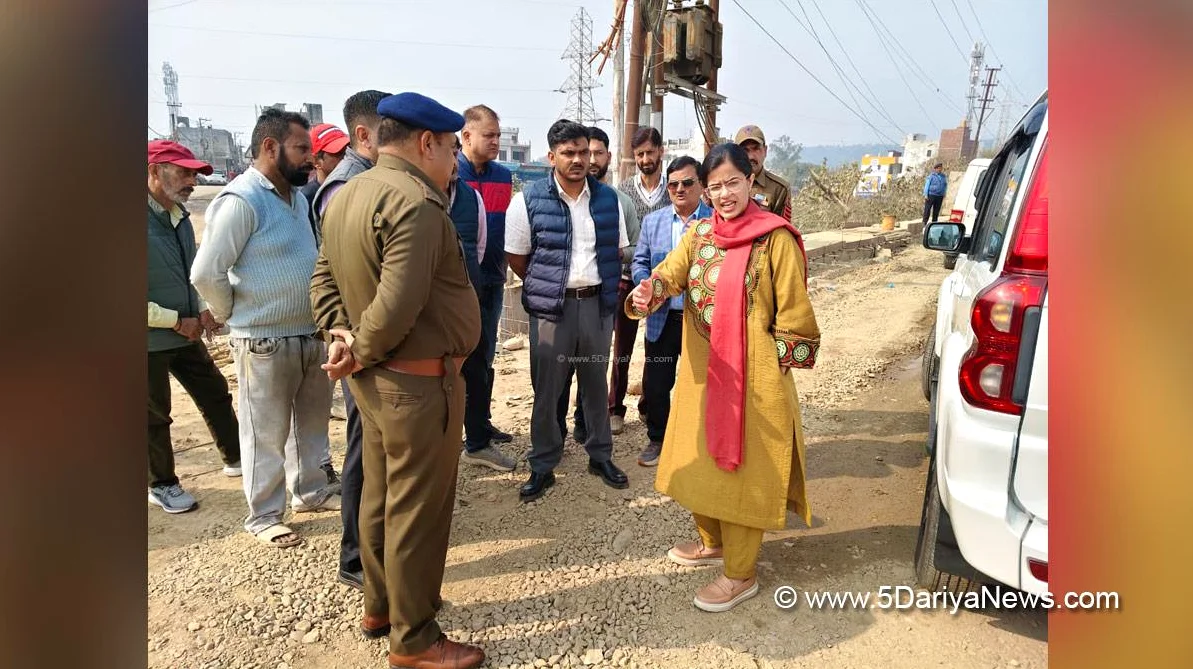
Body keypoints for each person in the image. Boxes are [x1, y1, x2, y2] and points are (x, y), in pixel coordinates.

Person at [310, 91, 485, 669]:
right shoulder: (418, 203)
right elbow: (398, 301)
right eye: (452, 149)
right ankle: (415, 641)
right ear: (427, 142)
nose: (455, 162)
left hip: (374, 380)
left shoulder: (345, 191)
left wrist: (340, 336)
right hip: (414, 383)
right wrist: (358, 347)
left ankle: (381, 605)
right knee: (419, 510)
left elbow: (323, 280)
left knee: (382, 498)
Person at [627, 142, 820, 612]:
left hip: (753, 379)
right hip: (701, 372)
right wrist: (648, 291)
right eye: (714, 187)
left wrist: (772, 367)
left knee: (743, 473)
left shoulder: (775, 238)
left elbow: (795, 314)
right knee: (695, 458)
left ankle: (741, 572)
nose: (724, 193)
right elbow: (670, 276)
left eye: (732, 182)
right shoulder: (699, 235)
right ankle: (711, 541)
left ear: (751, 180)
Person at [191, 108, 341, 549]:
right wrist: (232, 312)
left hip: (309, 335)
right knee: (265, 432)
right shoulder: (240, 201)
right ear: (270, 147)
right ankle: (264, 515)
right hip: (263, 340)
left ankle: (310, 492)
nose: (311, 161)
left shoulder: (296, 199)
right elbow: (206, 273)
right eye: (302, 150)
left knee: (310, 426)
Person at [505, 120, 631, 503]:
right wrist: (550, 286)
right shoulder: (527, 200)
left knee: (595, 385)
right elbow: (516, 256)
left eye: (584, 152)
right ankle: (543, 464)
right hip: (551, 313)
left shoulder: (608, 199)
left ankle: (600, 456)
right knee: (547, 390)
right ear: (552, 156)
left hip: (597, 306)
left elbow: (617, 250)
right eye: (569, 153)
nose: (579, 160)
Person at [310, 89, 390, 591]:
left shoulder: (369, 181)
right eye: (391, 133)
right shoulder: (347, 189)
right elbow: (340, 274)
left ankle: (374, 543)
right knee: (364, 447)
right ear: (364, 135)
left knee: (376, 445)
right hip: (360, 345)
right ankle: (356, 556)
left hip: (371, 341)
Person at [146, 140, 242, 514]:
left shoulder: (180, 217)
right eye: (183, 172)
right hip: (150, 339)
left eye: (194, 174)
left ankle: (235, 457)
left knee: (215, 392)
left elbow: (190, 275)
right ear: (154, 170)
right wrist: (175, 320)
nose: (191, 181)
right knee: (154, 415)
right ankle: (162, 483)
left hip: (185, 332)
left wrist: (201, 310)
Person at [556, 126, 640, 444]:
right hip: (565, 298)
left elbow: (635, 246)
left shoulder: (620, 202)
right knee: (562, 367)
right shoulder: (556, 197)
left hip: (608, 293)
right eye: (583, 152)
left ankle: (588, 425)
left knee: (597, 363)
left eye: (597, 153)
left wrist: (615, 252)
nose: (590, 160)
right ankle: (556, 432)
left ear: (607, 156)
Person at [630, 155, 712, 468]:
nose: (679, 189)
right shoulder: (654, 222)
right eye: (673, 184)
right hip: (662, 318)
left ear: (701, 185)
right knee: (657, 382)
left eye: (687, 183)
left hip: (699, 321)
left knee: (701, 382)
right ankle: (658, 438)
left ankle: (698, 441)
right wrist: (645, 283)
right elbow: (639, 261)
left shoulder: (715, 223)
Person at [452, 137, 516, 473]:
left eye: (497, 135)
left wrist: (486, 274)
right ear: (467, 138)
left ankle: (480, 428)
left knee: (484, 358)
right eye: (488, 135)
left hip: (489, 280)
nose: (494, 140)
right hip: (453, 295)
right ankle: (460, 436)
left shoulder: (499, 178)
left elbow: (481, 241)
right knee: (455, 367)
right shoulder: (432, 188)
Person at [606, 126, 669, 435]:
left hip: (663, 283)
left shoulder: (674, 188)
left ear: (661, 152)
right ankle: (614, 408)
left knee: (655, 345)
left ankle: (647, 405)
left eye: (650, 153)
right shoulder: (623, 191)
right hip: (627, 279)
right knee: (623, 347)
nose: (646, 159)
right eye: (640, 154)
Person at [734, 125, 792, 221]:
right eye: (745, 150)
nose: (751, 156)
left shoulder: (779, 188)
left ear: (765, 151)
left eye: (756, 149)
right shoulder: (724, 185)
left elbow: (783, 229)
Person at [300, 123, 350, 225]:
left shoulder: (354, 185)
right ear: (316, 161)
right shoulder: (307, 198)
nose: (346, 156)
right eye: (338, 152)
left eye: (348, 149)